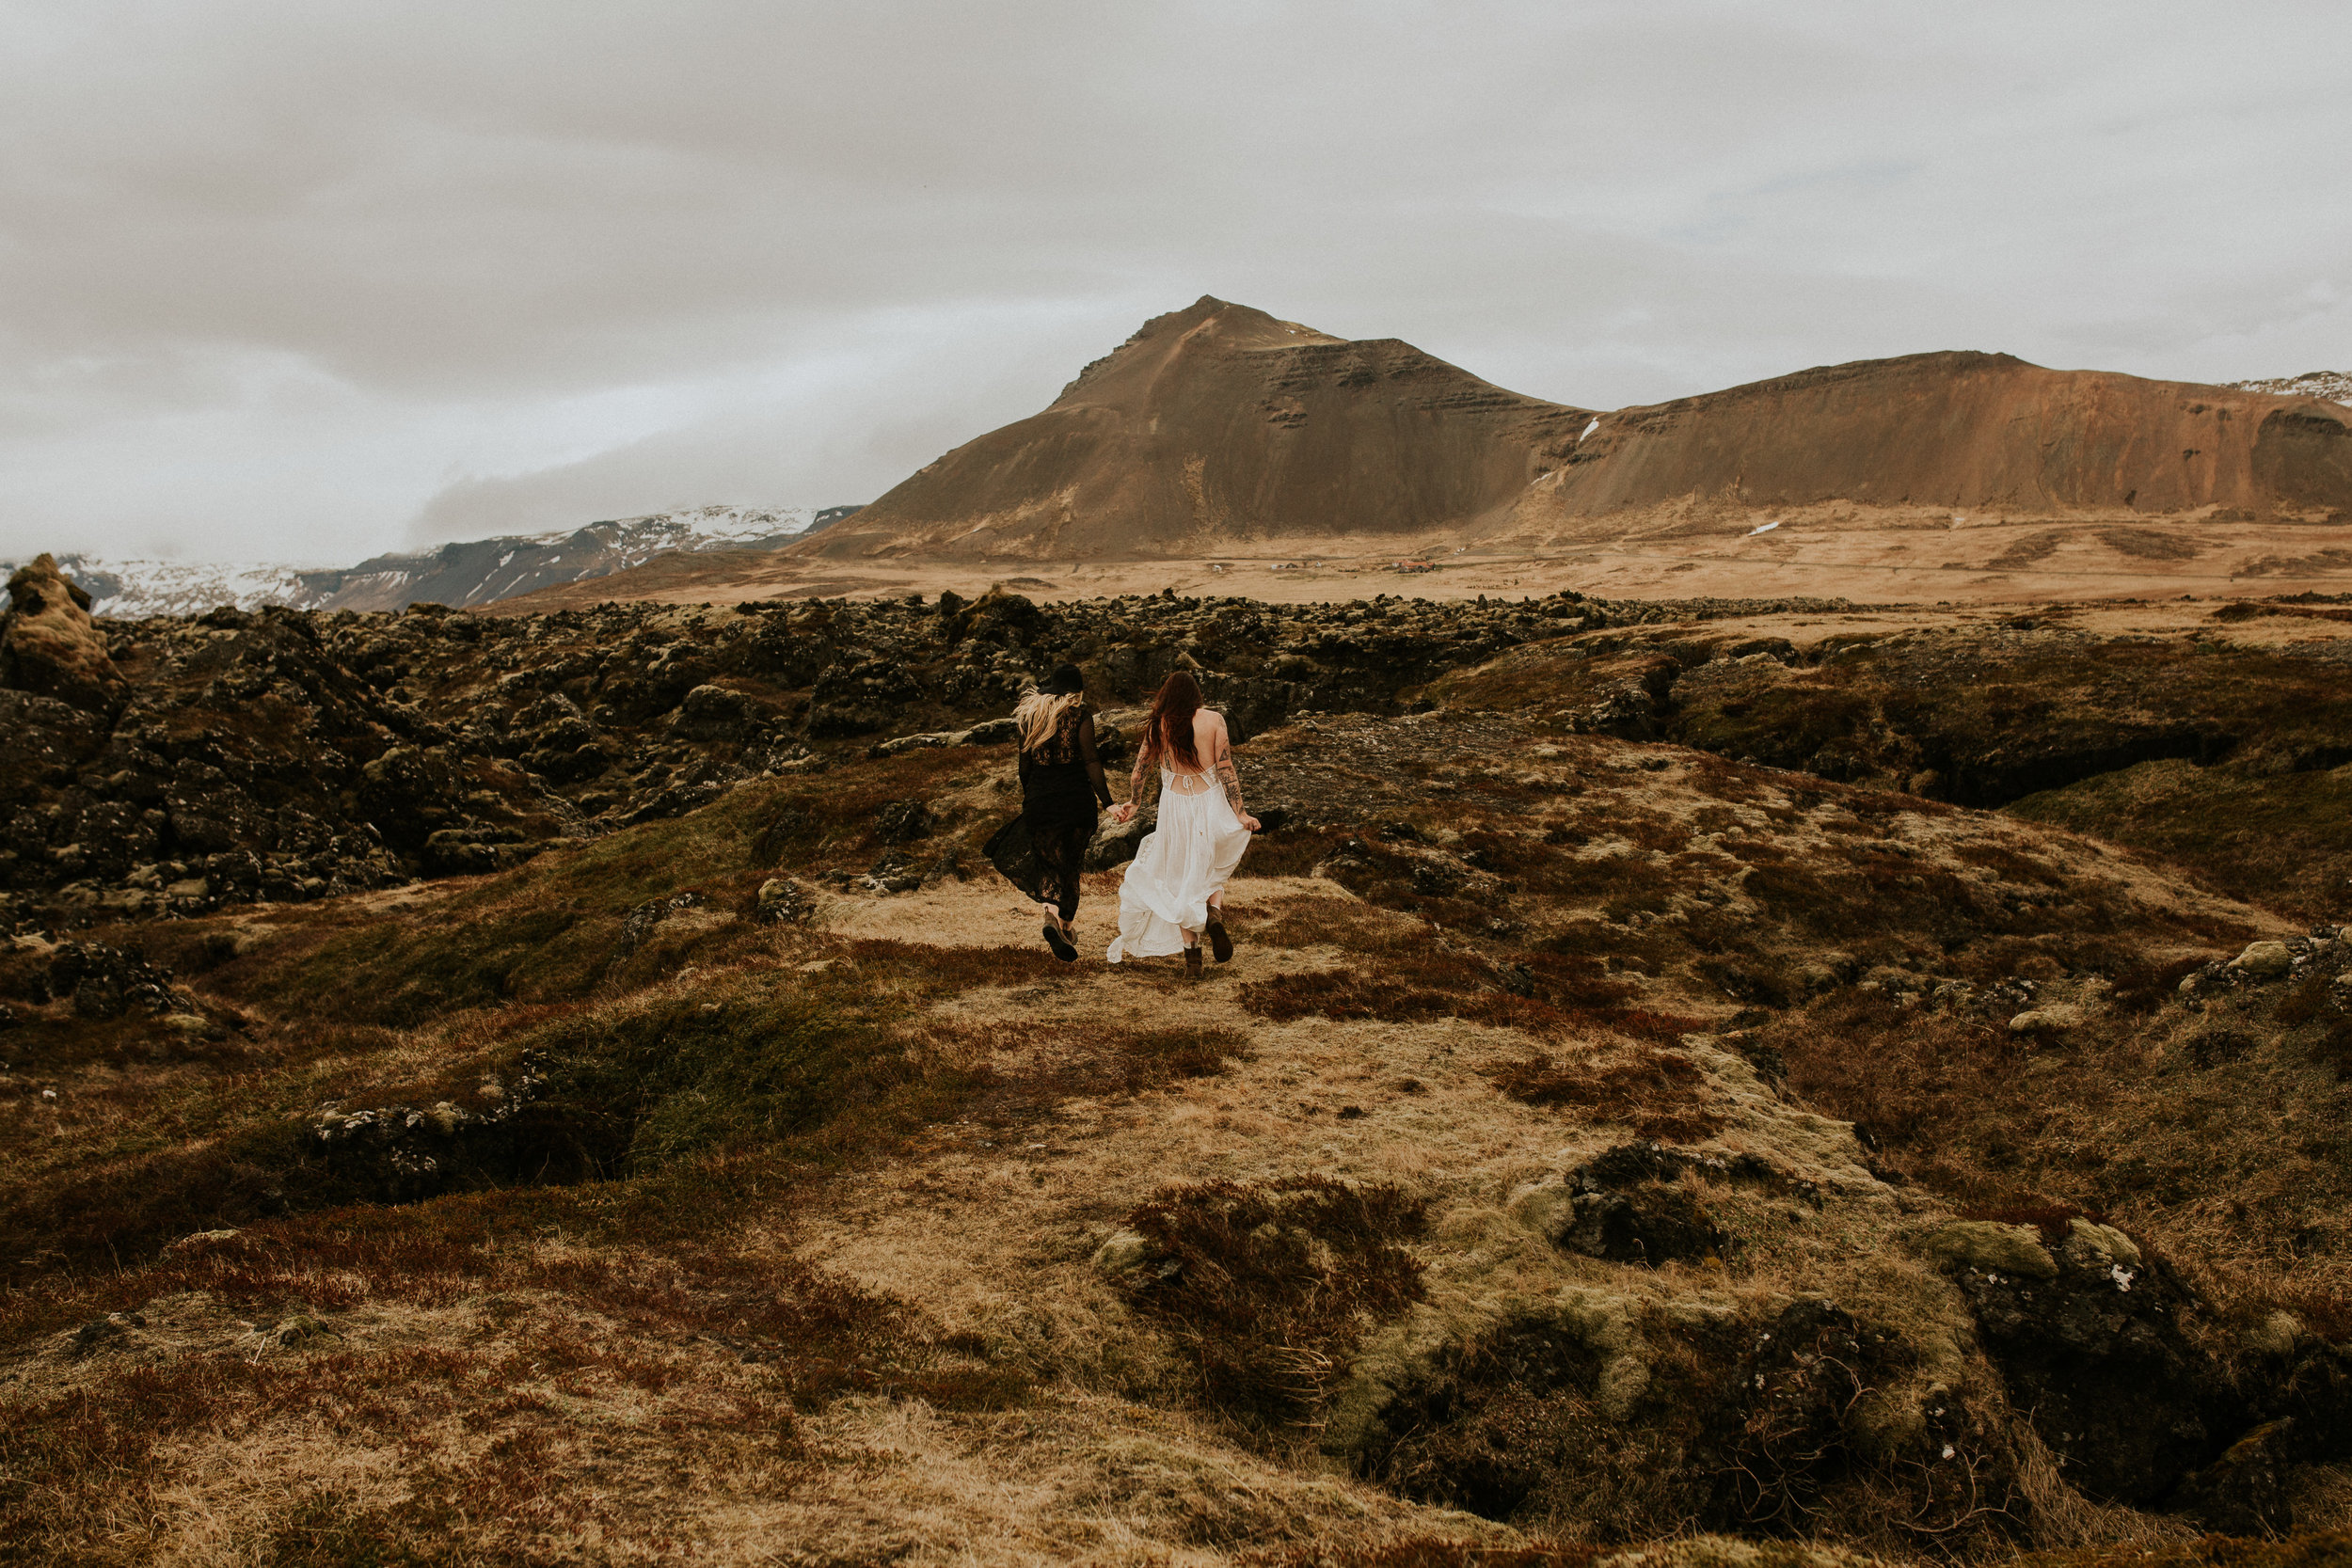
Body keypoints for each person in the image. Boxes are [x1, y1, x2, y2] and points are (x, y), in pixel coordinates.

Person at [1106, 671, 1260, 978]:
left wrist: (1134, 803)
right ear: (1196, 695)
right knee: (1210, 868)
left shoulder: (1160, 724)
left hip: (1174, 809)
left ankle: (1193, 962)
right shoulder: (1214, 720)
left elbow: (1139, 771)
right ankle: (1213, 914)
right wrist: (1241, 814)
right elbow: (1227, 771)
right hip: (1210, 804)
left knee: (1180, 879)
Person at [983, 663, 1113, 961]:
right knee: (1070, 866)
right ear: (1075, 693)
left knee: (1049, 866)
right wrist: (1108, 802)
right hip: (1076, 801)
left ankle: (1051, 917)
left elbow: (1024, 769)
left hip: (1041, 802)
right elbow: (1092, 762)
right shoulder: (1081, 717)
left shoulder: (1031, 719)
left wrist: (1033, 800)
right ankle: (1066, 927)